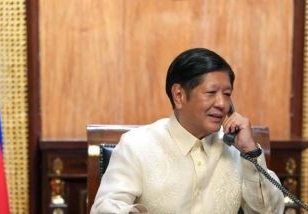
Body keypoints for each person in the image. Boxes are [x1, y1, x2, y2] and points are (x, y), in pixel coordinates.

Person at [90, 48, 285, 213]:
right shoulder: (137, 145)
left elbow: (269, 211)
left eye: (227, 94)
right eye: (211, 93)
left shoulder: (237, 150)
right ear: (179, 95)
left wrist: (250, 152)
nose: (222, 104)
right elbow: (105, 208)